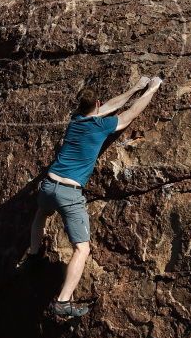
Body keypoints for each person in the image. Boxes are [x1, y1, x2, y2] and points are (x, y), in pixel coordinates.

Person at [22, 75, 163, 317]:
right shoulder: (101, 126)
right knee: (82, 249)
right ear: (96, 104)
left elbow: (109, 106)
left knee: (41, 213)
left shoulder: (76, 120)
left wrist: (134, 88)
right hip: (69, 193)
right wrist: (151, 90)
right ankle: (63, 302)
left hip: (49, 185)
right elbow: (129, 115)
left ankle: (33, 255)